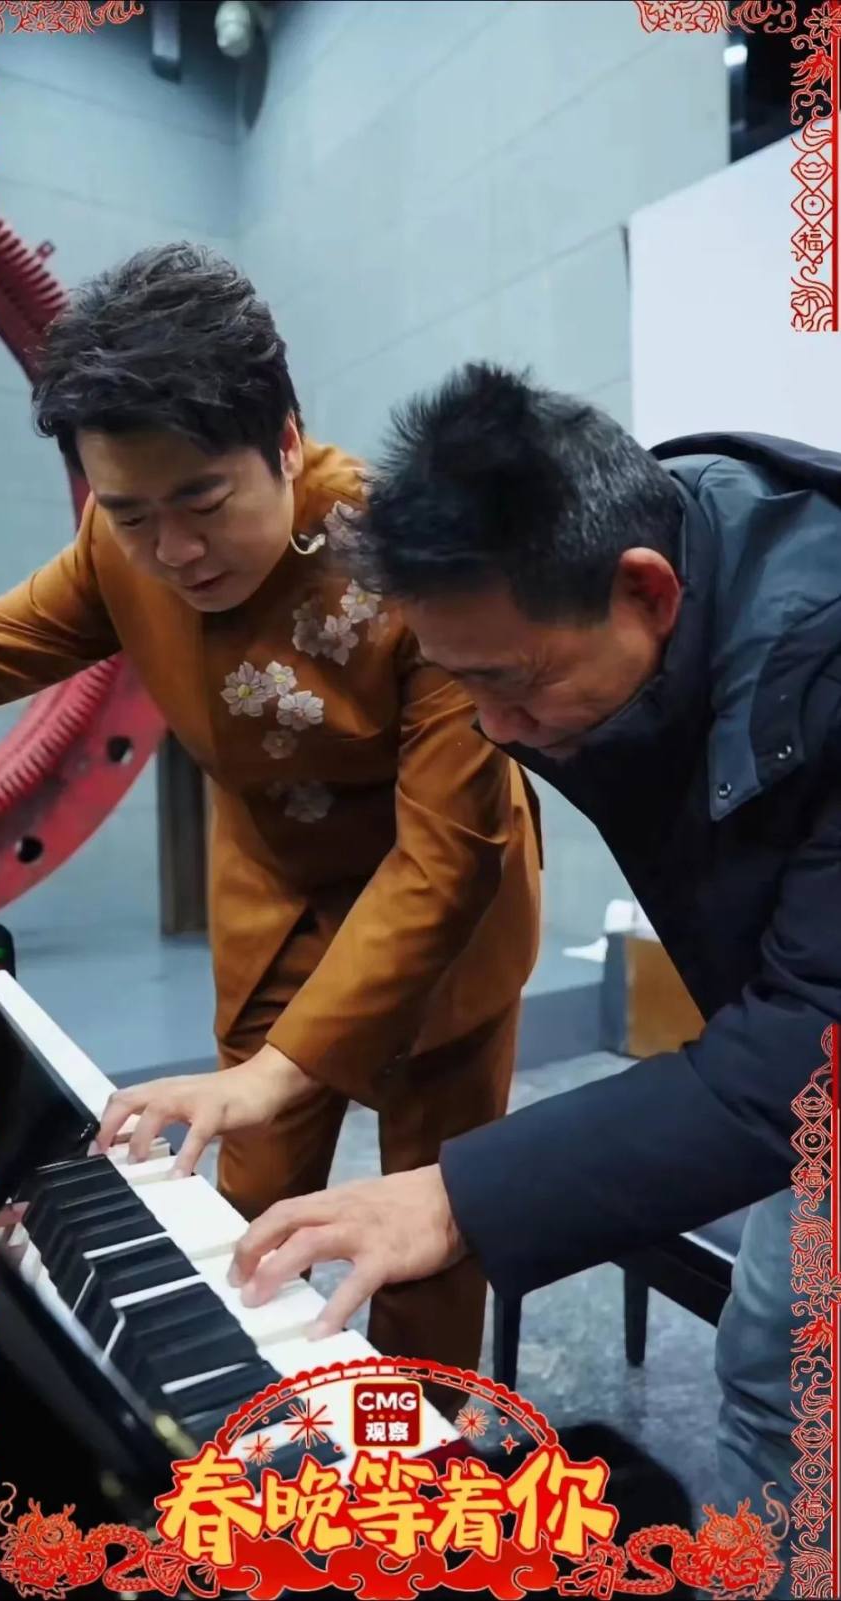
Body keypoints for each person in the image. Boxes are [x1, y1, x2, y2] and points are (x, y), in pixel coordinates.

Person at [229, 363, 840, 1580]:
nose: (496, 727)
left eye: (512, 682)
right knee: (779, 1360)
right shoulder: (632, 579)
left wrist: (459, 1195)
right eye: (465, 681)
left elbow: (808, 1036)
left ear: (647, 591)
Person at [0, 263, 542, 1377]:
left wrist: (278, 1067)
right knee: (247, 1207)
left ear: (286, 441)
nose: (173, 550)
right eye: (130, 513)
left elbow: (445, 858)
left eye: (204, 503)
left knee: (427, 1223)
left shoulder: (420, 557)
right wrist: (264, 1078)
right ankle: (259, 1419)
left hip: (441, 916)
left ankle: (430, 1448)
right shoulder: (120, 551)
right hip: (275, 898)